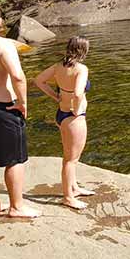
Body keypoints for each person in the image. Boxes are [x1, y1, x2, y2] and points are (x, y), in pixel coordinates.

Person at [0, 4, 40, 218]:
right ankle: (16, 207)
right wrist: (23, 103)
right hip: (1, 107)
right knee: (14, 160)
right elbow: (18, 76)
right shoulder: (2, 44)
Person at [34, 36, 94, 210]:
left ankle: (74, 188)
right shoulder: (81, 69)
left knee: (69, 156)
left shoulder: (58, 66)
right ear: (84, 51)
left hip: (61, 113)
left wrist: (55, 96)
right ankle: (68, 197)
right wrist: (76, 109)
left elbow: (38, 81)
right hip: (74, 118)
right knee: (71, 160)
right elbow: (77, 93)